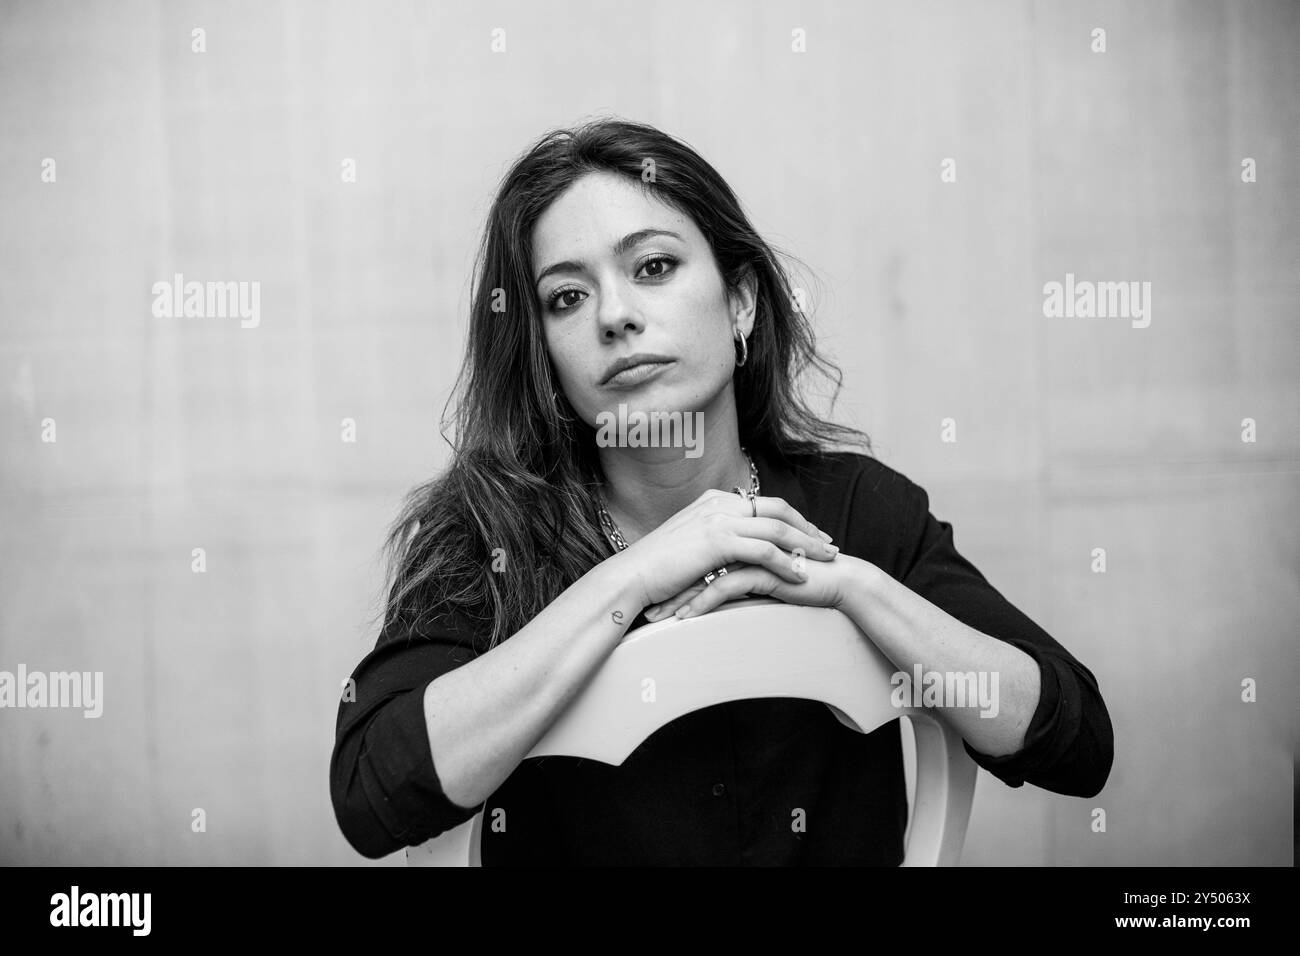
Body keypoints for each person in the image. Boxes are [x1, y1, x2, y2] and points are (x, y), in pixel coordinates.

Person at [329, 117, 1114, 865]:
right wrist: (633, 576)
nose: (615, 315)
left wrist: (851, 588)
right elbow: (372, 796)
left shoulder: (855, 511)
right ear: (545, 356)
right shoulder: (489, 536)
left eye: (654, 268)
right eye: (567, 297)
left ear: (739, 302)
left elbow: (1076, 744)